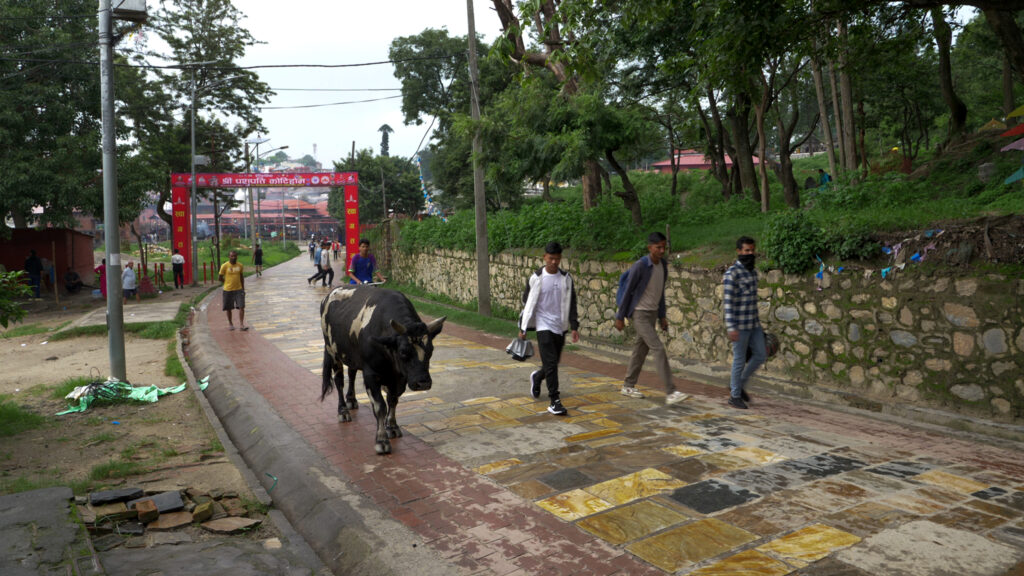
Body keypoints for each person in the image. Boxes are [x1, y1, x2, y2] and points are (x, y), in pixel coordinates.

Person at [614, 232, 689, 405]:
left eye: (664, 247)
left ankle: (628, 385)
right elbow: (627, 293)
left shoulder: (663, 265)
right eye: (658, 247)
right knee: (658, 348)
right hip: (639, 314)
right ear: (650, 248)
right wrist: (620, 316)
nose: (662, 250)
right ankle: (671, 392)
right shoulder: (640, 266)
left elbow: (660, 293)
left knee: (640, 350)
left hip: (652, 314)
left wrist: (662, 316)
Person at [518, 241, 580, 416]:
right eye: (551, 258)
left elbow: (572, 302)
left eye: (557, 259)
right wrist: (523, 327)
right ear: (544, 257)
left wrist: (574, 325)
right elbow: (527, 302)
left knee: (552, 364)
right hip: (542, 325)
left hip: (560, 326)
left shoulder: (566, 279)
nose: (554, 262)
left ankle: (538, 377)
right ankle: (555, 401)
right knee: (552, 363)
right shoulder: (536, 278)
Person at [723, 236, 766, 410]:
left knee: (761, 355)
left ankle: (739, 385)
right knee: (739, 360)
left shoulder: (753, 273)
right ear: (739, 252)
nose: (750, 253)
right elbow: (728, 303)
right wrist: (731, 327)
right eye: (746, 250)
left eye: (752, 250)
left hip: (754, 323)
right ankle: (734, 395)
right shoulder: (731, 274)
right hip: (739, 326)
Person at [219, 250, 248, 331]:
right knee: (229, 308)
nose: (233, 257)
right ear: (229, 257)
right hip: (228, 290)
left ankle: (241, 324)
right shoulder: (224, 266)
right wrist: (225, 282)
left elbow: (241, 277)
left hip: (239, 289)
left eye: (235, 256)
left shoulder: (240, 266)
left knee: (241, 306)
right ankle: (230, 324)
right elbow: (220, 277)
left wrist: (243, 289)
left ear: (237, 256)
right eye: (232, 256)